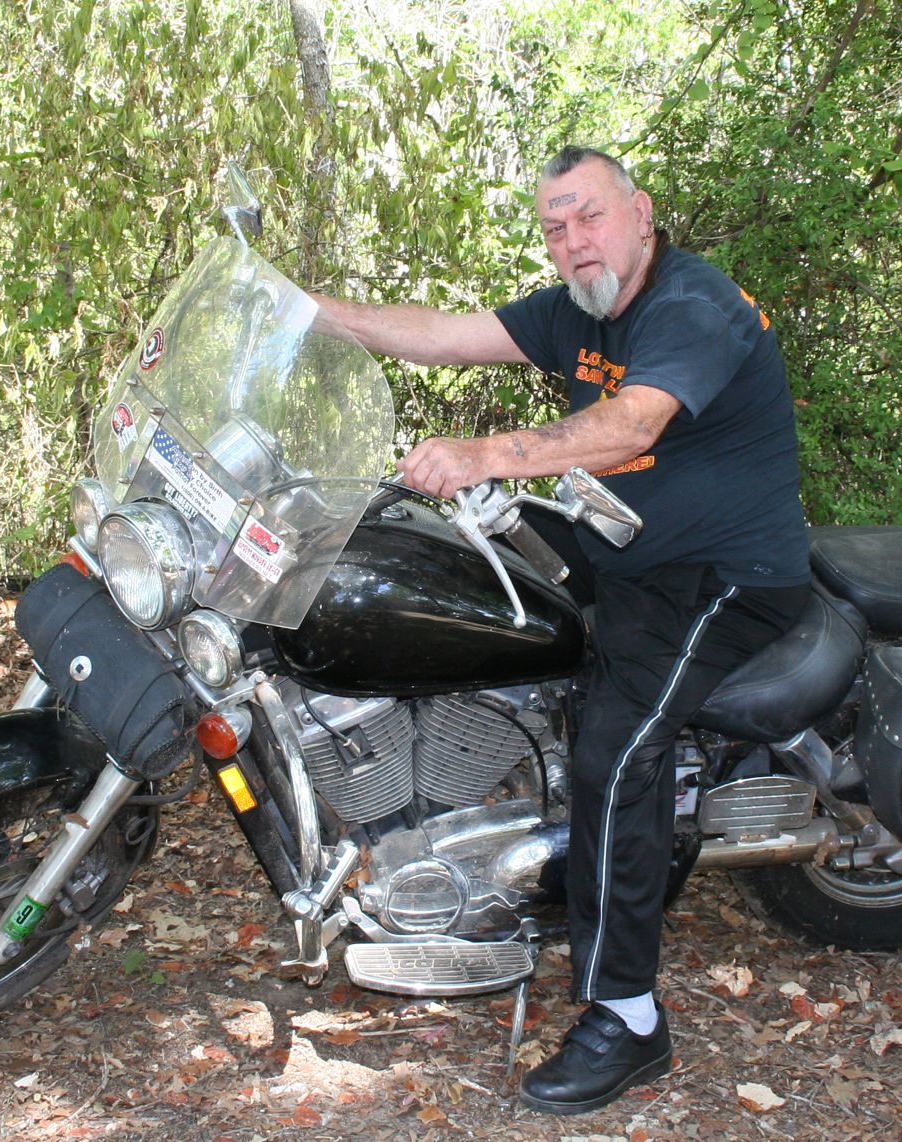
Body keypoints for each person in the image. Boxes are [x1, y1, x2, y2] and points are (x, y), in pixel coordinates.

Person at [313, 146, 811, 1115]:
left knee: (614, 755)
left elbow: (633, 424)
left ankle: (628, 1016)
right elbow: (445, 335)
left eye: (589, 216)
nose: (573, 240)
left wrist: (486, 452)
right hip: (621, 545)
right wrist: (305, 310)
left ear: (640, 213)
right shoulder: (583, 309)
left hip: (721, 575)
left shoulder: (691, 305)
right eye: (554, 226)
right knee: (447, 581)